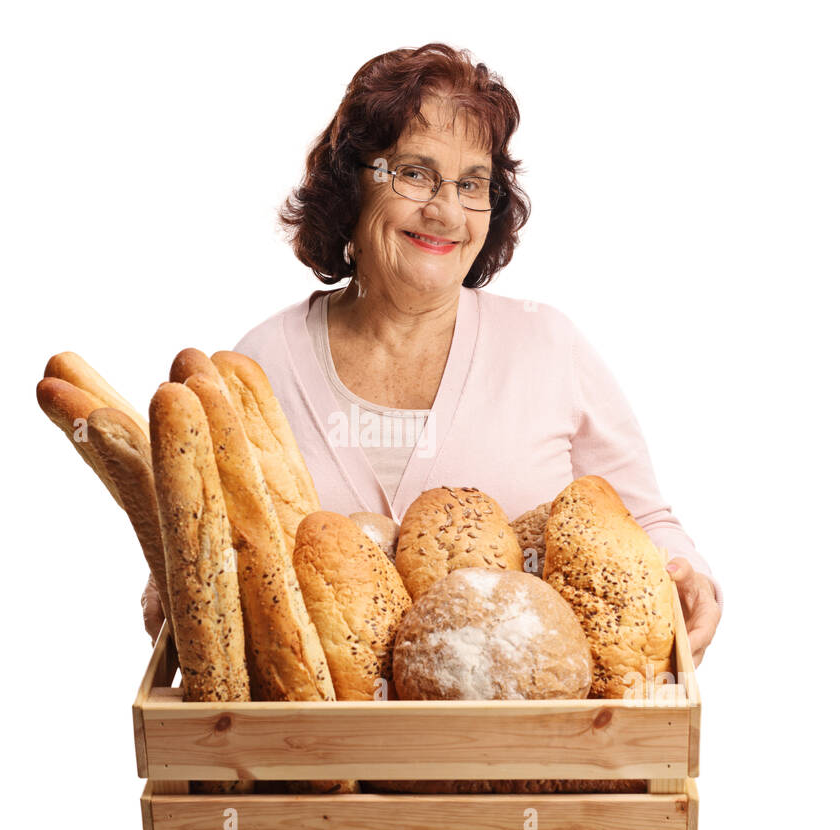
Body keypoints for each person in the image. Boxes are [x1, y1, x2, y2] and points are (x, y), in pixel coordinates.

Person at [145, 43, 721, 666]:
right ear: (352, 187)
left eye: (471, 183)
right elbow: (210, 548)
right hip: (303, 755)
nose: (446, 211)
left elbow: (645, 522)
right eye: (415, 173)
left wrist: (690, 579)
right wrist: (168, 589)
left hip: (528, 752)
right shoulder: (262, 365)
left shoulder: (549, 347)